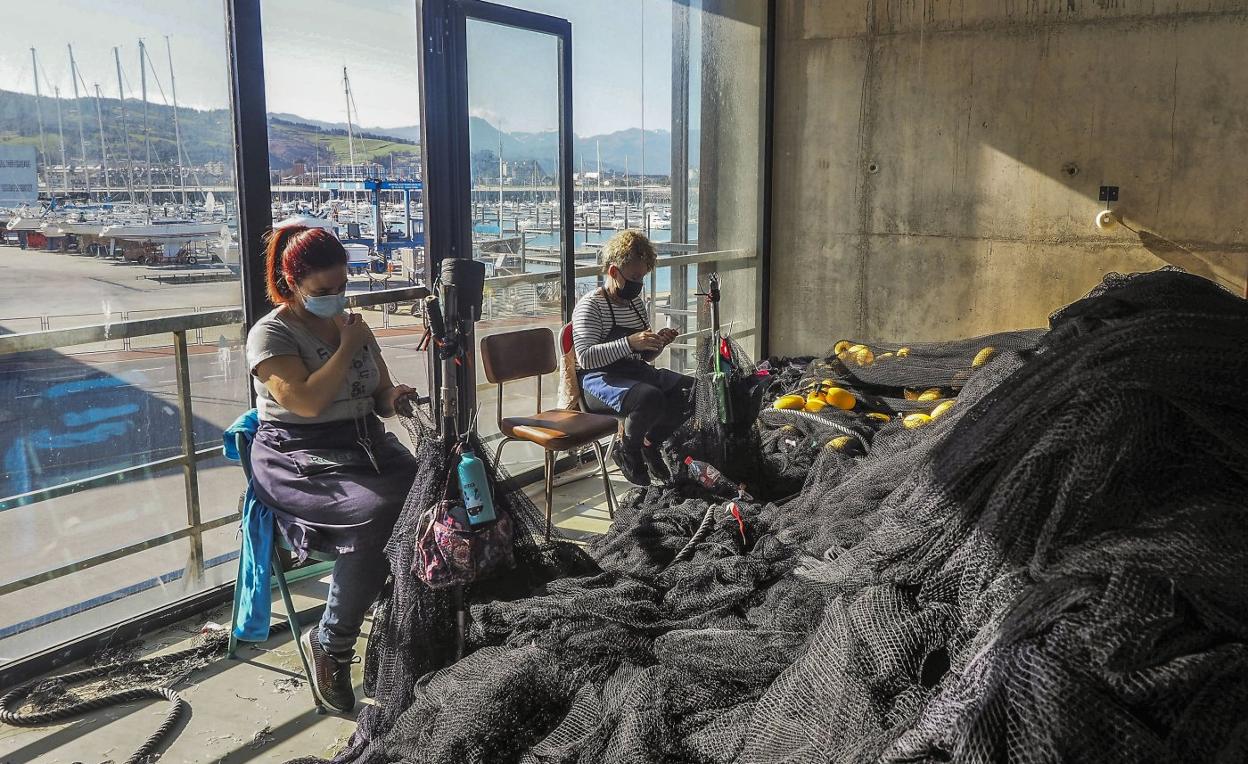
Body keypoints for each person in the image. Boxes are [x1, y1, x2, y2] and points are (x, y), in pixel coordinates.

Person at [245, 224, 417, 714]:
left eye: (342, 286)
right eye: (323, 291)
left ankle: (412, 616)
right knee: (376, 513)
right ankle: (333, 643)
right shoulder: (272, 333)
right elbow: (307, 402)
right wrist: (347, 344)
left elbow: (380, 394)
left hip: (365, 443)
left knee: (438, 494)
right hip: (298, 456)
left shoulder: (351, 324)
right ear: (291, 282)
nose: (336, 297)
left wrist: (395, 397)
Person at [572, 230, 694, 485]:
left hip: (633, 373)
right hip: (597, 380)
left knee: (691, 391)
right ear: (614, 272)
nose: (639, 283)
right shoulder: (591, 306)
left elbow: (645, 358)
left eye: (643, 277)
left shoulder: (636, 304)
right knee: (650, 397)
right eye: (635, 277)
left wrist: (656, 343)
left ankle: (650, 443)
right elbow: (585, 358)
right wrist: (629, 342)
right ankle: (628, 450)